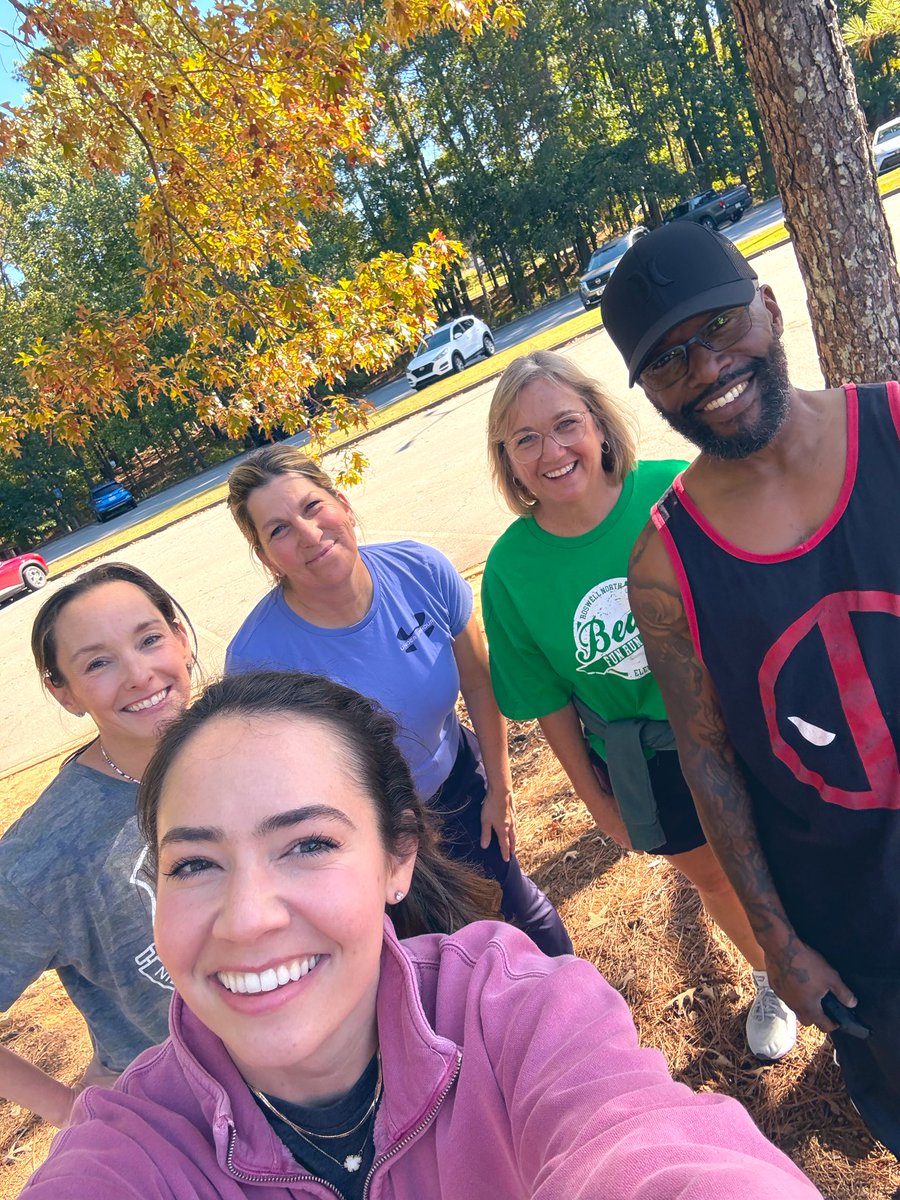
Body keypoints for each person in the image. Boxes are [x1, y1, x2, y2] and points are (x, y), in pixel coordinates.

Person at [21, 669, 825, 1199]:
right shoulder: (133, 1147)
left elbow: (651, 1149)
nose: (249, 916)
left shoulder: (514, 1011)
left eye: (307, 845)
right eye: (194, 864)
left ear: (397, 857)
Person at [601, 220, 900, 1153]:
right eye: (669, 361)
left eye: (721, 326)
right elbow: (708, 756)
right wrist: (779, 943)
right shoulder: (664, 565)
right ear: (649, 392)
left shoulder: (895, 427)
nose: (706, 368)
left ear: (769, 308)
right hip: (861, 929)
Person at [481, 350, 796, 1062]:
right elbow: (546, 699)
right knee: (713, 875)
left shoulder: (675, 492)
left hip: (746, 726)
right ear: (506, 456)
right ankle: (774, 976)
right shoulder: (511, 570)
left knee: (792, 853)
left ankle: (848, 982)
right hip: (647, 757)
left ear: (597, 422)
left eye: (564, 425)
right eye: (524, 439)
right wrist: (594, 797)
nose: (551, 452)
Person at [224, 445, 572, 957]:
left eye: (312, 506)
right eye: (277, 530)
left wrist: (500, 790)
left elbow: (478, 683)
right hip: (365, 834)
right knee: (431, 957)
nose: (306, 533)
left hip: (457, 785)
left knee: (518, 910)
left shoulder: (421, 571)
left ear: (342, 503)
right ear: (264, 555)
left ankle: (587, 1017)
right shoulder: (257, 658)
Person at [0, 563, 195, 1127]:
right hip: (190, 1127)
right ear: (64, 692)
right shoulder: (44, 857)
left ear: (180, 637)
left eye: (150, 639)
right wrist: (75, 1112)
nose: (138, 674)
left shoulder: (248, 741)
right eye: (98, 663)